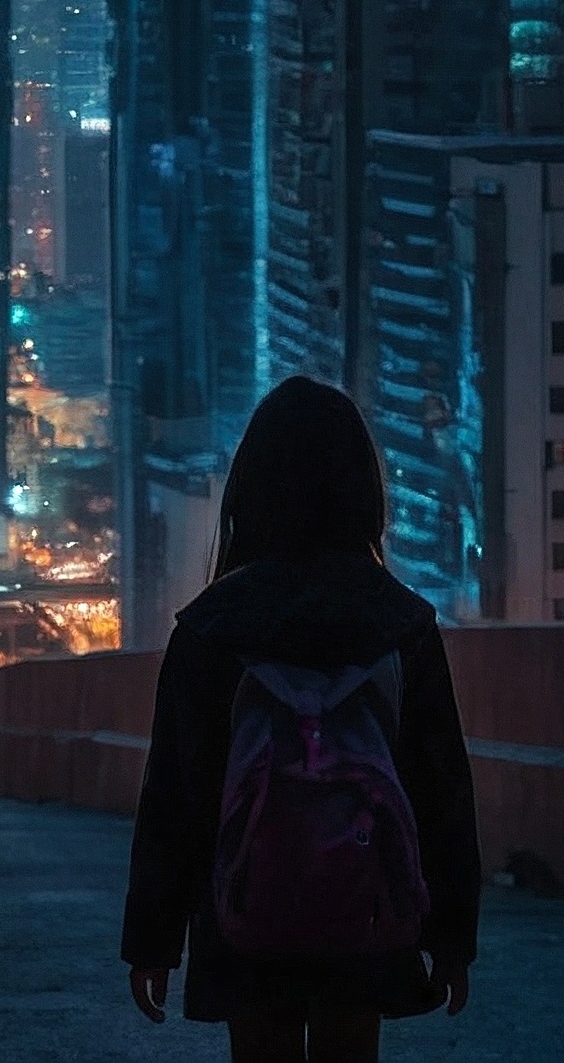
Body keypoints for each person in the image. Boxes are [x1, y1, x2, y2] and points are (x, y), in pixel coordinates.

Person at [120, 378, 480, 1060]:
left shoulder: (210, 628)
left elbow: (175, 798)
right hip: (368, 905)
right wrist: (453, 938)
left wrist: (153, 943)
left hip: (245, 910)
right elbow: (442, 795)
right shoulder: (401, 623)